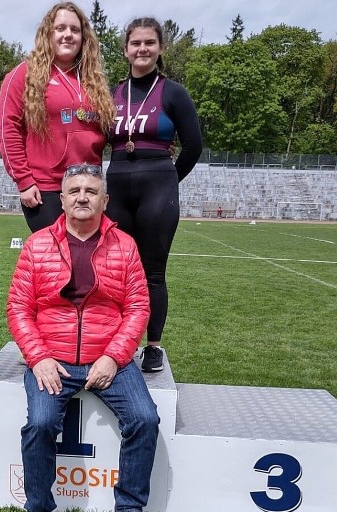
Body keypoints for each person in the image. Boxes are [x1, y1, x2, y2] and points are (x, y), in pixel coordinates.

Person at [7, 163, 162, 512]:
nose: (82, 197)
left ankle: (129, 509)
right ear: (61, 199)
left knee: (145, 418)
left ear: (104, 200)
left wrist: (113, 357)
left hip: (108, 356)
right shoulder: (37, 245)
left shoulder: (124, 245)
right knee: (40, 423)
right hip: (52, 358)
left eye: (91, 191)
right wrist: (38, 357)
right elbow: (18, 309)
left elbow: (139, 307)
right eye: (74, 190)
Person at [106, 17, 203, 373]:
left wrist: (170, 180)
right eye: (135, 43)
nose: (142, 49)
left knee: (153, 272)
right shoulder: (112, 93)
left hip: (158, 185)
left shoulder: (173, 92)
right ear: (125, 49)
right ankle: (118, 340)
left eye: (149, 43)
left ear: (160, 48)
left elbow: (194, 146)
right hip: (116, 184)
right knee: (116, 270)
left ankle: (153, 345)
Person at [0, 1, 115, 232]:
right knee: (55, 262)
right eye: (60, 28)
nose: (68, 35)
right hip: (46, 188)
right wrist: (24, 180)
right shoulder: (23, 74)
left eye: (75, 29)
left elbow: (108, 132)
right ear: (47, 33)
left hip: (88, 186)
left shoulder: (94, 80)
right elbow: (6, 129)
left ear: (84, 37)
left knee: (86, 262)